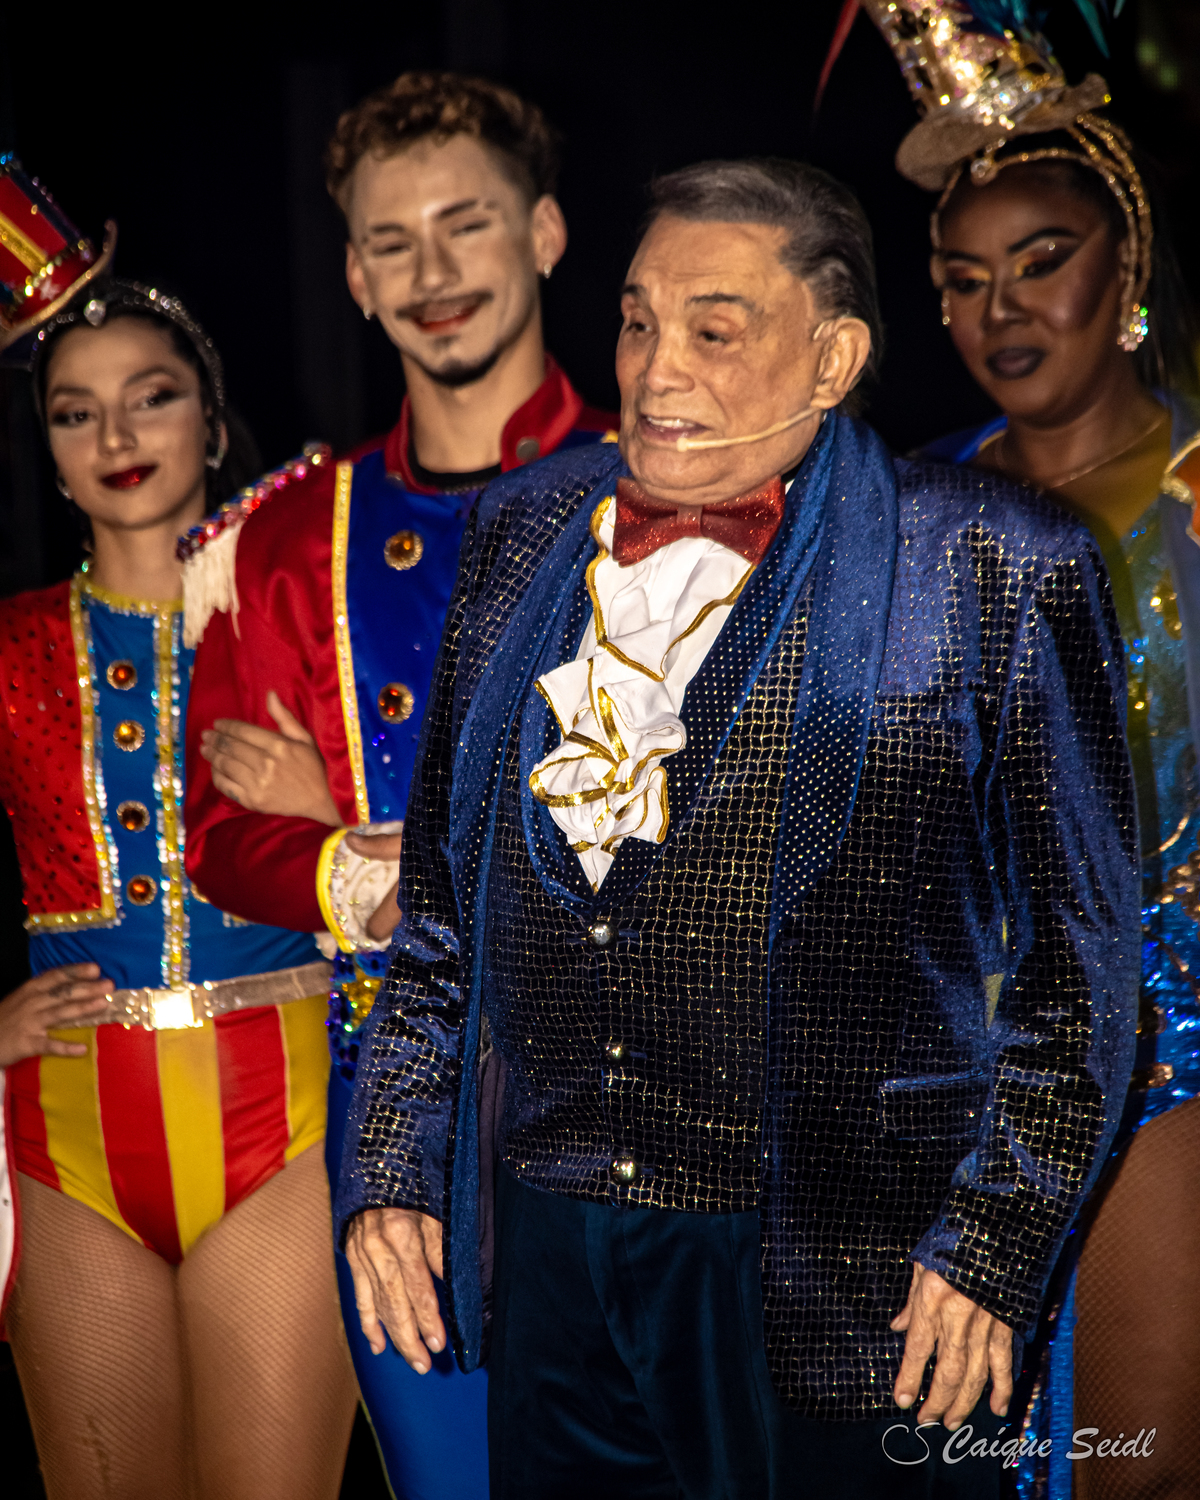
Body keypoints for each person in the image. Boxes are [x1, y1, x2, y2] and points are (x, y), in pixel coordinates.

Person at [334, 155, 1140, 1499]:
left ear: (833, 358)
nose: (655, 371)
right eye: (638, 321)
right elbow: (443, 918)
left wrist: (993, 1246)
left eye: (714, 331)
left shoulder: (997, 561)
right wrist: (393, 1168)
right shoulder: (523, 529)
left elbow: (1082, 966)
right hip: (554, 1251)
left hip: (845, 1272)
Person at [182, 70, 614, 1497]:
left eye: (466, 224)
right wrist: (336, 871)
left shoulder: (676, 488)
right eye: (391, 242)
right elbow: (219, 829)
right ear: (357, 280)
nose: (433, 274)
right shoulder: (286, 538)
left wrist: (377, 847)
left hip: (652, 1095)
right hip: (406, 1127)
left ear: (544, 234)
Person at [849, 3, 1200, 1493]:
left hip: (1173, 1043)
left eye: (1042, 261)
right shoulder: (900, 514)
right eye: (963, 279)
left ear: (1127, 266)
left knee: (1135, 1463)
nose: (1002, 309)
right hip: (952, 1065)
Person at [0, 275, 357, 1500]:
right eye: (74, 412)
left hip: (290, 1123)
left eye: (150, 398)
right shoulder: (10, 646)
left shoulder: (314, 627)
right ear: (49, 450)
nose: (115, 436)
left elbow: (466, 842)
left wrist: (335, 814)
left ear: (210, 420)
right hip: (66, 1140)